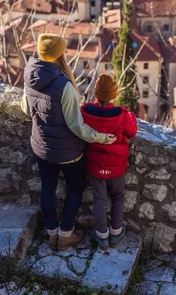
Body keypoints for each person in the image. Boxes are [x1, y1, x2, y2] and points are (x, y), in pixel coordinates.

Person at [24, 34, 116, 251]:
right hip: (67, 152)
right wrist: (103, 137)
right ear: (60, 54)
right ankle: (66, 234)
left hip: (41, 146)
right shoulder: (64, 86)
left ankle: (52, 232)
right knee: (75, 187)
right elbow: (77, 126)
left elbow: (26, 108)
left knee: (48, 188)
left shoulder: (29, 74)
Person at [81, 74, 138, 250]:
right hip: (116, 165)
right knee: (118, 197)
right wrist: (131, 115)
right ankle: (115, 232)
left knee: (99, 199)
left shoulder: (85, 111)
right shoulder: (121, 115)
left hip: (94, 164)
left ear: (96, 93)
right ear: (114, 94)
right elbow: (132, 131)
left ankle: (101, 236)